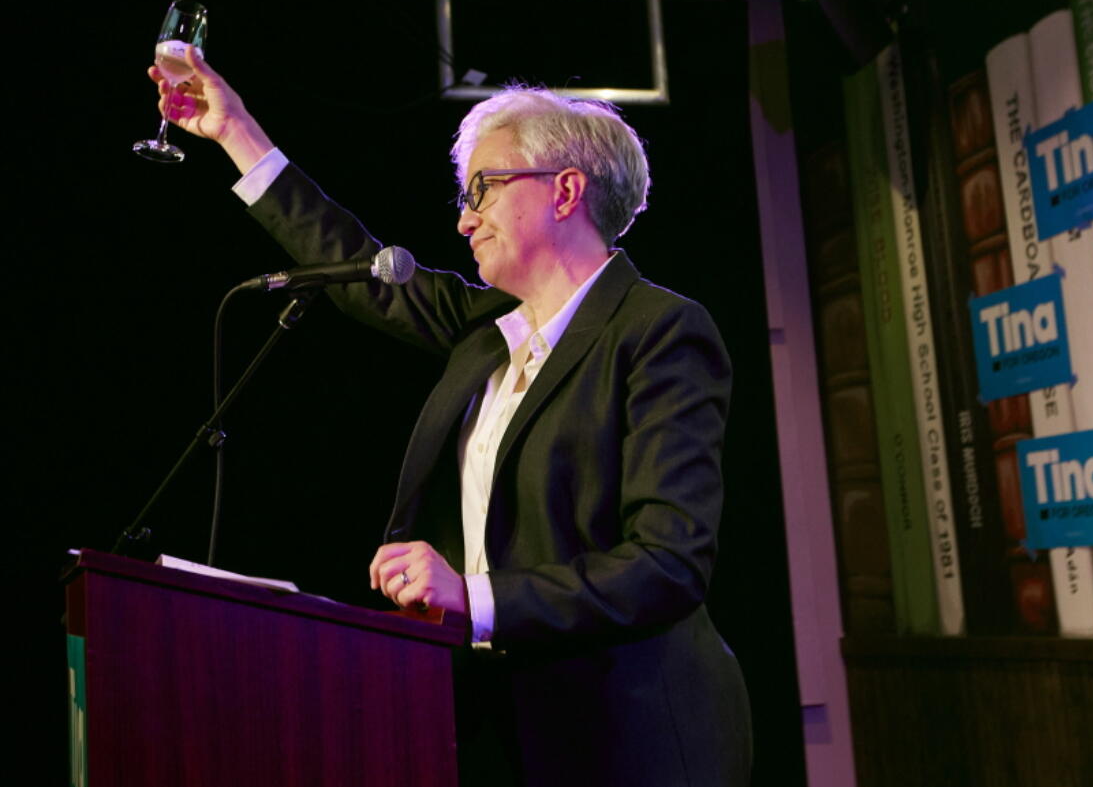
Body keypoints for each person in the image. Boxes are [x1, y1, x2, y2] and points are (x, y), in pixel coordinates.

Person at [149, 47, 752, 787]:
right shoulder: (486, 327)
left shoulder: (659, 332)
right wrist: (234, 130)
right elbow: (357, 268)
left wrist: (475, 597)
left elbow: (668, 563)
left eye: (484, 189)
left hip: (629, 738)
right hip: (495, 730)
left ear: (565, 190)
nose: (465, 220)